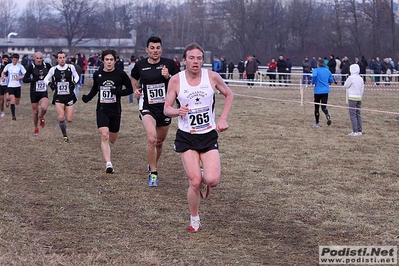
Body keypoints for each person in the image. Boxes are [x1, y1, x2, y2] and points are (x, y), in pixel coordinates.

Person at [164, 42, 234, 232]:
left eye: (199, 58)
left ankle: (203, 175)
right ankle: (194, 219)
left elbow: (229, 94)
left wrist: (223, 119)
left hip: (208, 135)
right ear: (184, 60)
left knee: (212, 180)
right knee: (194, 182)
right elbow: (166, 108)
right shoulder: (176, 81)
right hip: (186, 137)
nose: (196, 62)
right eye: (192, 58)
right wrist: (178, 111)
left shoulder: (212, 77)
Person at [131, 36, 180, 186]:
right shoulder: (140, 66)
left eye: (157, 48)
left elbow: (179, 82)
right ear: (147, 50)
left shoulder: (169, 64)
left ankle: (152, 164)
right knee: (151, 139)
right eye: (152, 48)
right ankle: (153, 173)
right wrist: (135, 90)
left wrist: (168, 76)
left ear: (161, 49)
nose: (155, 51)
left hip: (165, 108)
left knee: (159, 142)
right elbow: (133, 77)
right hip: (147, 107)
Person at [82, 50, 133, 173]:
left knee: (112, 139)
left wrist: (118, 92)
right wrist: (88, 97)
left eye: (111, 60)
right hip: (102, 109)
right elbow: (95, 88)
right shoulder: (98, 74)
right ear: (103, 61)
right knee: (104, 134)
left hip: (115, 110)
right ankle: (108, 164)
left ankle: (109, 147)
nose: (109, 62)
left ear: (115, 60)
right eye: (107, 60)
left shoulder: (121, 74)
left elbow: (130, 89)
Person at [44, 51, 80, 143]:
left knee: (69, 119)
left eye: (63, 57)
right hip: (59, 97)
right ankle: (65, 136)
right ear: (57, 59)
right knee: (61, 117)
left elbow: (77, 76)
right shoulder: (53, 69)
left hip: (69, 96)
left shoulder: (71, 67)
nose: (62, 59)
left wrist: (74, 83)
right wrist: (50, 84)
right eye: (60, 57)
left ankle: (63, 121)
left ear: (66, 58)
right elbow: (45, 79)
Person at [23, 52, 52, 136]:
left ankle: (42, 116)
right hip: (34, 92)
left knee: (44, 108)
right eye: (37, 58)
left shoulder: (47, 66)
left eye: (40, 58)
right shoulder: (31, 67)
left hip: (43, 91)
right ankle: (36, 127)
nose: (39, 60)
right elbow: (25, 79)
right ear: (34, 58)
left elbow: (53, 74)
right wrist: (33, 79)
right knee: (35, 112)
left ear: (42, 58)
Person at [1, 53, 26, 121]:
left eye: (16, 60)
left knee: (17, 102)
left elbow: (24, 74)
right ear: (11, 59)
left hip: (17, 86)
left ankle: (8, 100)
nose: (15, 61)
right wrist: (3, 77)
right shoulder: (8, 66)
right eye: (14, 60)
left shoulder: (20, 66)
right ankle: (13, 116)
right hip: (10, 85)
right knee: (13, 99)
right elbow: (3, 72)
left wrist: (20, 77)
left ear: (18, 60)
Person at [311, 59, 334, 127]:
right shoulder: (327, 71)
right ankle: (327, 115)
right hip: (325, 91)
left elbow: (314, 76)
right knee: (324, 107)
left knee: (316, 107)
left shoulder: (316, 70)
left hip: (318, 91)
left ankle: (317, 123)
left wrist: (313, 82)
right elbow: (331, 80)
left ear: (318, 64)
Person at [343, 64, 364, 137]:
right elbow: (362, 89)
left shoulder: (351, 78)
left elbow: (345, 85)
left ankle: (355, 131)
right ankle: (359, 130)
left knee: (353, 115)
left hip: (352, 98)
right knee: (358, 114)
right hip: (359, 98)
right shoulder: (360, 78)